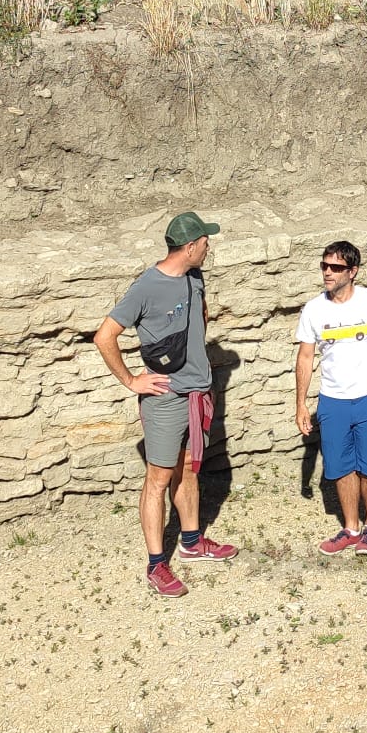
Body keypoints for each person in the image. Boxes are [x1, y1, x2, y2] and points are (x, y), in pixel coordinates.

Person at [94, 210, 238, 598]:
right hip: (166, 400)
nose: (209, 248)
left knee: (189, 470)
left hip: (197, 393)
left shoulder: (195, 276)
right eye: (205, 243)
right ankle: (157, 565)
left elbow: (200, 316)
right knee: (158, 480)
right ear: (190, 247)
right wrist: (131, 380)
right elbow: (104, 336)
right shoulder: (147, 286)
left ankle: (191, 542)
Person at [294, 240, 367, 555]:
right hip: (332, 401)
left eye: (335, 267)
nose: (328, 273)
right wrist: (300, 404)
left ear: (353, 271)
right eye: (324, 266)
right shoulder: (313, 309)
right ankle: (350, 528)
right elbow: (305, 358)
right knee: (339, 466)